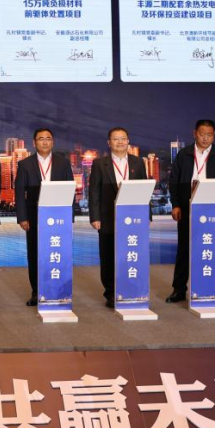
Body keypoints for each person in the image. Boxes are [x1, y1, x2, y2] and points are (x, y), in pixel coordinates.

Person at [166, 119, 215, 303]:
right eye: (202, 134)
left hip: (212, 207)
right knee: (184, 249)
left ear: (214, 135)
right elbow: (174, 181)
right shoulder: (184, 154)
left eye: (209, 135)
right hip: (187, 206)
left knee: (209, 247)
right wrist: (176, 204)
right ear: (194, 133)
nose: (205, 138)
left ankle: (208, 287)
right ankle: (179, 290)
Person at [88, 127, 147, 307]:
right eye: (116, 139)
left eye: (123, 138)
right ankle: (111, 293)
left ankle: (131, 289)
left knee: (131, 254)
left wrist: (147, 215)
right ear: (109, 143)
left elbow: (144, 189)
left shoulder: (138, 162)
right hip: (107, 217)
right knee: (108, 257)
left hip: (133, 218)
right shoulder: (100, 163)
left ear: (128, 141)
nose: (120, 142)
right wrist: (95, 217)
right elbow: (94, 192)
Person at [14, 127, 73, 306]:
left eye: (48, 138)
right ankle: (36, 292)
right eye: (41, 138)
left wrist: (69, 217)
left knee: (57, 253)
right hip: (34, 216)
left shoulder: (64, 163)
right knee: (35, 253)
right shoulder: (25, 164)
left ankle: (58, 290)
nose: (45, 142)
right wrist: (22, 217)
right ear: (34, 143)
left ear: (52, 142)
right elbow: (19, 193)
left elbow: (70, 190)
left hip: (58, 216)